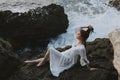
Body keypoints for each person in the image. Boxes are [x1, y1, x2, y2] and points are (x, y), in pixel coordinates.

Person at [24, 25, 94, 77]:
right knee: (49, 58)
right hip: (65, 54)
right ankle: (32, 61)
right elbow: (76, 28)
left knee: (50, 49)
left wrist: (89, 68)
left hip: (67, 60)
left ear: (81, 37)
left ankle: (42, 62)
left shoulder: (81, 48)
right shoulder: (77, 41)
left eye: (78, 34)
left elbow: (84, 58)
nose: (76, 34)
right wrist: (87, 26)